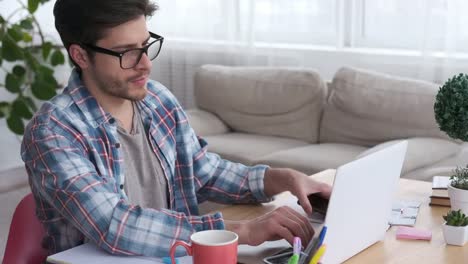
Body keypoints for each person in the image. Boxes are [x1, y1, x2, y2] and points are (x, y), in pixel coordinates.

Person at [20, 0, 332, 257]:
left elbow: (201, 171)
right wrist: (242, 231)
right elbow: (113, 224)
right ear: (80, 55)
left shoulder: (157, 99)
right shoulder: (52, 131)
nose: (146, 64)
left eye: (146, 45)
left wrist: (282, 178)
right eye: (127, 52)